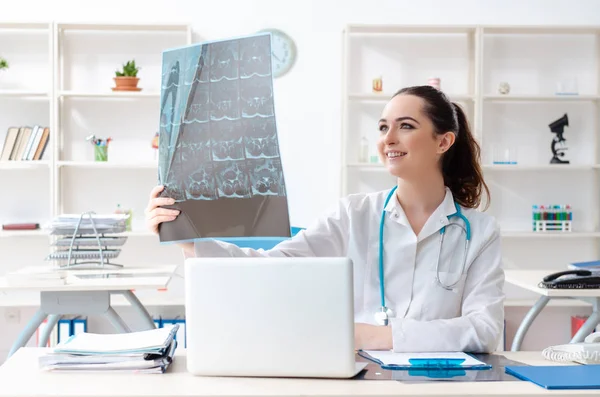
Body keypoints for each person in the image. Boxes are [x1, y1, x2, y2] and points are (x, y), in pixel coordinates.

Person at [145, 85, 504, 353]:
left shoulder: (480, 232)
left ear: (443, 142)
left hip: (441, 384)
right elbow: (276, 266)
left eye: (405, 126)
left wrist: (377, 335)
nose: (388, 139)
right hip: (361, 374)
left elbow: (485, 330)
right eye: (382, 127)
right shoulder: (353, 214)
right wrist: (192, 242)